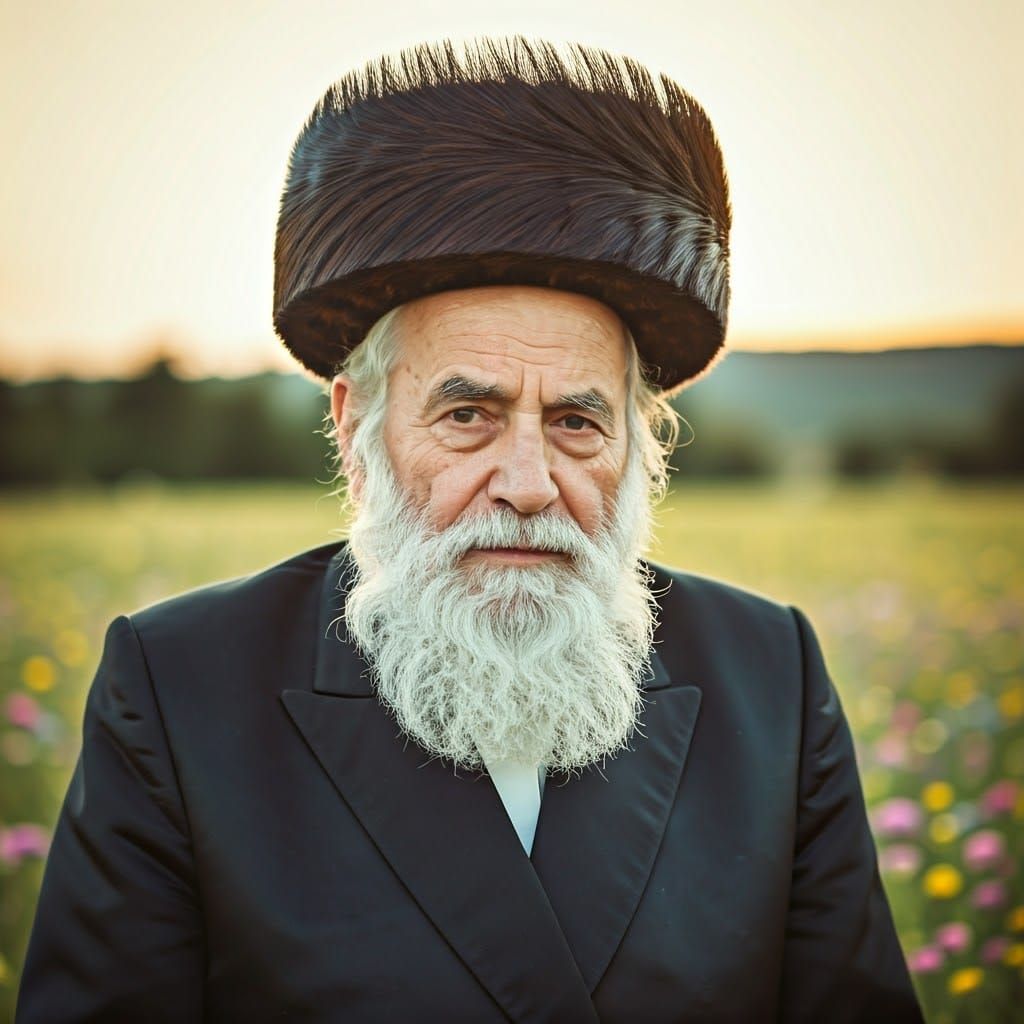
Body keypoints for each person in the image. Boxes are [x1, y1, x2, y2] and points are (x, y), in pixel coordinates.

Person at [17, 38, 924, 1023]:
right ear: (356, 430)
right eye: (467, 415)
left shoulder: (771, 679)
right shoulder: (179, 689)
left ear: (637, 444)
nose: (528, 486)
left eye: (575, 422)